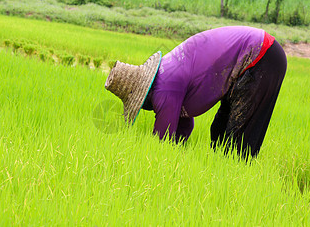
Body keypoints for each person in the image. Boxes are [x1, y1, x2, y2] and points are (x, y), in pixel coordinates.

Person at [105, 26, 287, 159]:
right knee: (219, 134)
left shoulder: (164, 89)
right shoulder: (166, 73)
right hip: (252, 59)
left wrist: (147, 164)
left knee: (238, 144)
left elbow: (161, 140)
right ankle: (225, 181)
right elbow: (184, 127)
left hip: (262, 55)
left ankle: (235, 193)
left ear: (142, 96)